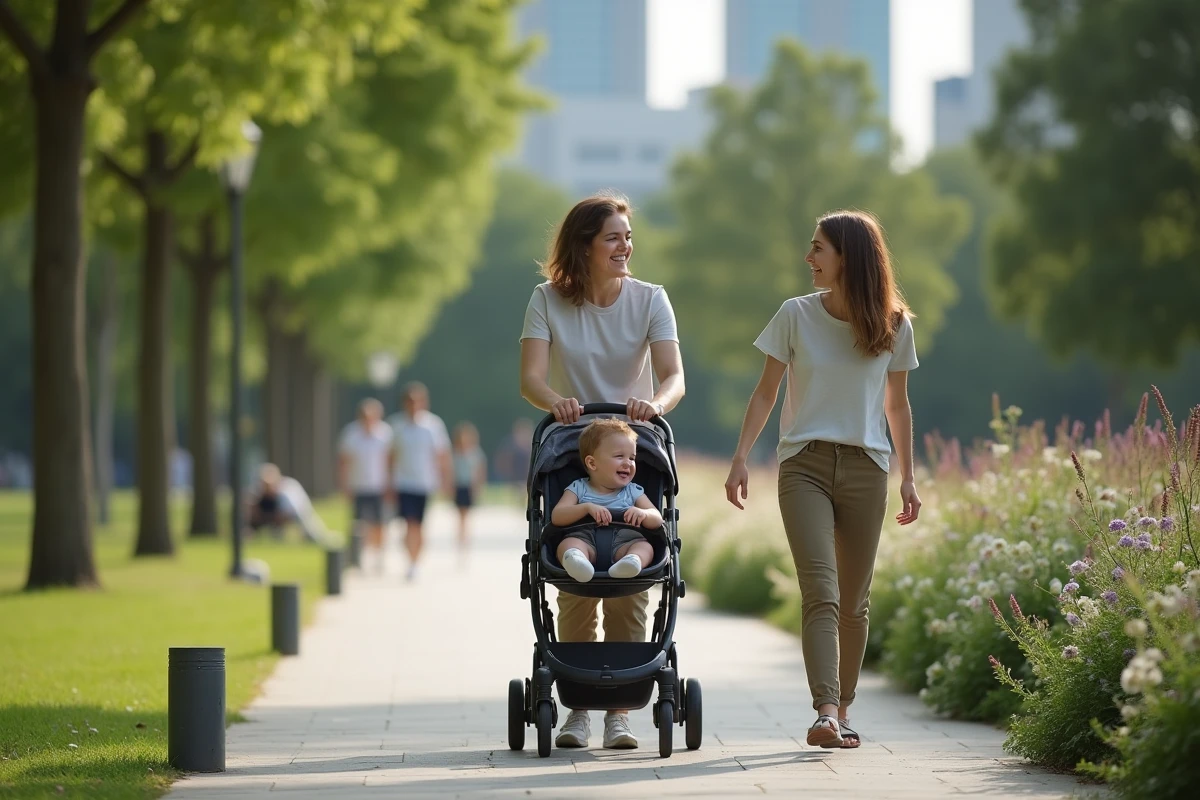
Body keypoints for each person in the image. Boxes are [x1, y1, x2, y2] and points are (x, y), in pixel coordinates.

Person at [723, 210, 922, 750]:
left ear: (848, 257)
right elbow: (766, 392)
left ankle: (846, 710)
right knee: (822, 592)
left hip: (867, 468)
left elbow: (897, 405)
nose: (808, 258)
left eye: (818, 249)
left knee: (855, 601)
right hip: (803, 464)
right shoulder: (794, 315)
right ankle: (826, 713)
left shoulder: (894, 323)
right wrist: (741, 456)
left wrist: (908, 477)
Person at [519, 191, 685, 750]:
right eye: (612, 237)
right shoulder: (547, 300)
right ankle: (578, 711)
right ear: (584, 245)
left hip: (631, 446)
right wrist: (556, 400)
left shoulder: (650, 299)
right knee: (574, 589)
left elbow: (672, 377)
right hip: (573, 446)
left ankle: (620, 711)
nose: (625, 246)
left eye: (628, 236)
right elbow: (531, 379)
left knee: (631, 588)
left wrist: (655, 406)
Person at [551, 419, 659, 583]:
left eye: (632, 458)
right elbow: (557, 516)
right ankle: (577, 561)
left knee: (645, 548)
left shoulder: (633, 491)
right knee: (568, 544)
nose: (628, 463)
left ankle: (632, 562)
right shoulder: (578, 488)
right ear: (592, 463)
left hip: (626, 542)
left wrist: (643, 513)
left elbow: (657, 519)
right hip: (584, 539)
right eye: (619, 456)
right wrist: (585, 508)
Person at [386, 382, 452, 581]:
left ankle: (415, 562)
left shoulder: (433, 425)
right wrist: (388, 482)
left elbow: (441, 455)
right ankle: (410, 560)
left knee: (419, 526)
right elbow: (391, 456)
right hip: (403, 482)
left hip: (424, 483)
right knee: (408, 524)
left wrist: (445, 480)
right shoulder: (396, 425)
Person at [337, 398, 393, 570]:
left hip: (379, 485)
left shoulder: (385, 433)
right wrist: (344, 485)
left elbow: (391, 461)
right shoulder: (351, 434)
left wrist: (390, 484)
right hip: (358, 485)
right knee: (358, 524)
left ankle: (378, 555)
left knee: (379, 523)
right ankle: (358, 556)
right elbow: (344, 462)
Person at [246, 463, 335, 547]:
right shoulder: (260, 491)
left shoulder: (287, 491)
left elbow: (291, 512)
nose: (267, 488)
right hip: (271, 514)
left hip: (297, 515)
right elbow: (251, 505)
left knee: (314, 537)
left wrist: (272, 517)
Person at [451, 421, 487, 551]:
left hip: (469, 486)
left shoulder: (475, 452)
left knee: (465, 515)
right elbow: (452, 471)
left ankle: (465, 538)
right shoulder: (455, 452)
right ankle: (461, 537)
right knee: (460, 514)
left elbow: (480, 471)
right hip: (458, 485)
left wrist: (478, 487)